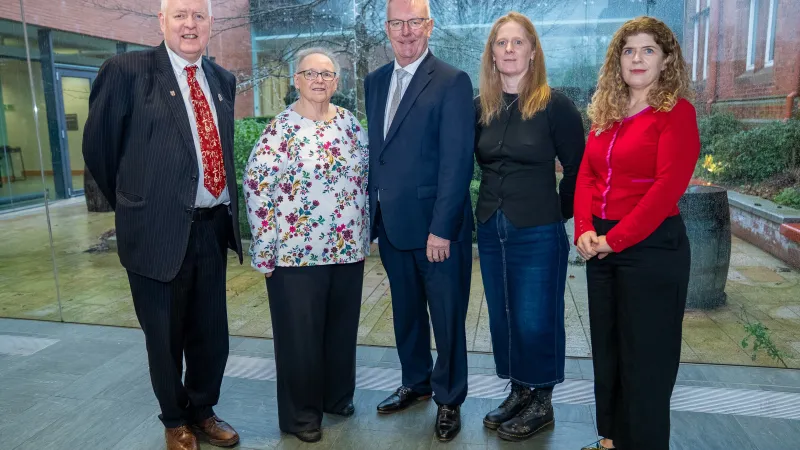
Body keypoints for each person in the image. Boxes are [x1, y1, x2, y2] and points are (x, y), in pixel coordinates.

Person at [82, 0, 241, 449]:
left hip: (211, 227)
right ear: (162, 21)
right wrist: (137, 203)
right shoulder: (126, 71)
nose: (189, 24)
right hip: (154, 230)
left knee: (211, 334)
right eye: (180, 15)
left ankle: (203, 409)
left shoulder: (222, 80)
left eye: (198, 16)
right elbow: (99, 151)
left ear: (210, 24)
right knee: (164, 335)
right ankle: (175, 420)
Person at [573, 16, 699, 450]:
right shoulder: (606, 113)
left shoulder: (676, 113)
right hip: (602, 246)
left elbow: (667, 189)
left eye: (648, 50)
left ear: (666, 61)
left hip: (652, 248)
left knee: (646, 361)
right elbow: (586, 175)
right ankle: (610, 441)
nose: (637, 58)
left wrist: (614, 240)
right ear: (618, 61)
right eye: (628, 50)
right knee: (608, 354)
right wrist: (586, 231)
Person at [242, 47, 369, 444]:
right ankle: (301, 416)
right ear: (295, 80)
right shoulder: (281, 128)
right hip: (294, 254)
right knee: (300, 338)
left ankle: (336, 398)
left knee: (340, 330)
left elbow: (366, 177)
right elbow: (256, 184)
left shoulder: (350, 123)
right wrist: (264, 247)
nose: (319, 79)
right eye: (310, 73)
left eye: (327, 74)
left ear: (336, 82)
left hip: (347, 249)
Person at [363, 0, 475, 442]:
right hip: (392, 225)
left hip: (436, 231)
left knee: (446, 317)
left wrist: (442, 228)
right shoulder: (374, 82)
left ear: (429, 26)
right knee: (406, 313)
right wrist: (372, 216)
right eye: (397, 23)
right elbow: (379, 154)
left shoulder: (451, 81)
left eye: (414, 22)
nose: (406, 32)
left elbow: (457, 162)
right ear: (386, 28)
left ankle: (449, 398)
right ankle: (416, 381)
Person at [474, 12, 585, 442]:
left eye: (517, 42)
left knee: (537, 318)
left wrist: (557, 212)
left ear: (532, 51)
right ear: (492, 54)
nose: (508, 50)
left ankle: (541, 401)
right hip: (490, 226)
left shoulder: (555, 105)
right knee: (503, 316)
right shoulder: (480, 106)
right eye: (501, 43)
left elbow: (579, 170)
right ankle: (519, 389)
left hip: (538, 230)